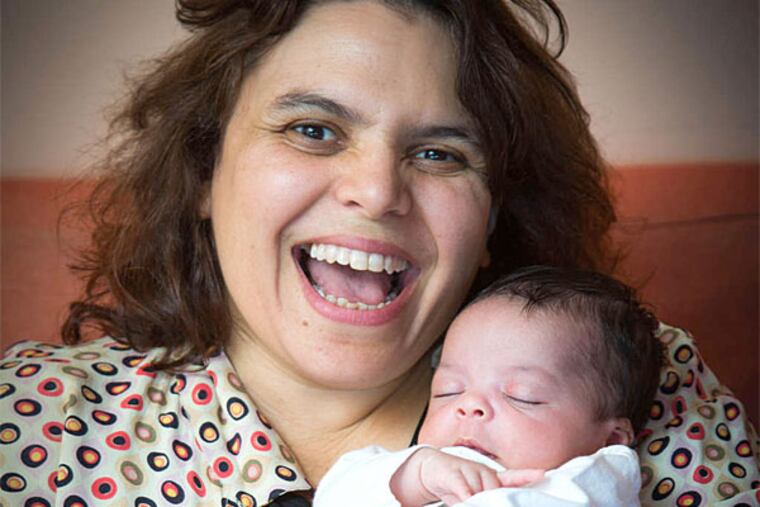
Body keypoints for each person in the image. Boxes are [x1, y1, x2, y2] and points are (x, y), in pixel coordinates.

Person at [0, 1, 757, 506]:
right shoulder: (36, 416)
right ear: (204, 172)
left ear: (493, 216)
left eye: (438, 153)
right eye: (313, 130)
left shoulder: (638, 381)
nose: (376, 191)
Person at [314, 266, 663, 506]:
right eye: (449, 390)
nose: (469, 406)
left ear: (610, 440)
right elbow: (333, 497)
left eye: (521, 396)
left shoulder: (590, 483)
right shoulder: (413, 468)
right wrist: (415, 475)